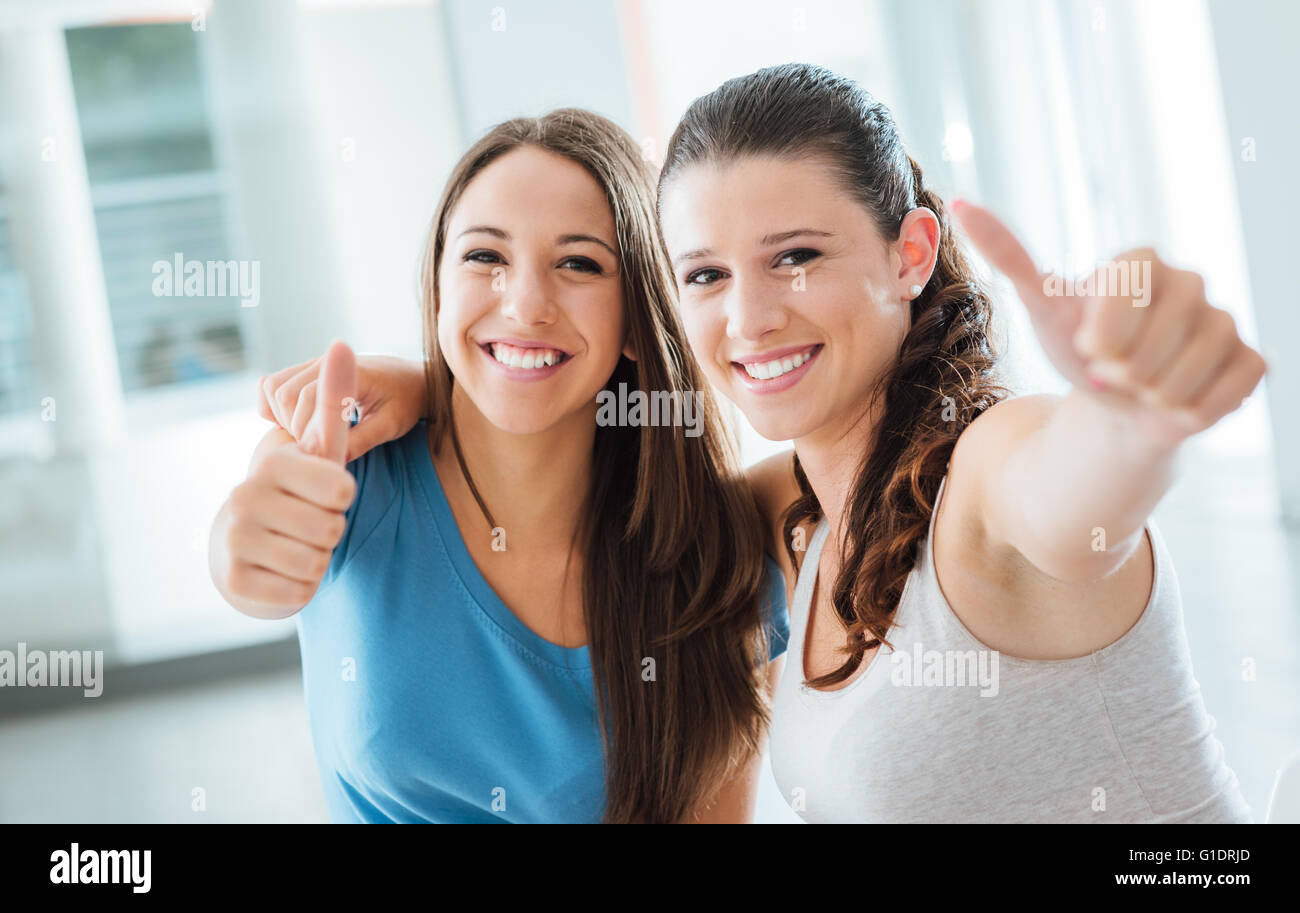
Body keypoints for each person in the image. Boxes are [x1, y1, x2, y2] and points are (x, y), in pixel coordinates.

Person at [267, 64, 1264, 823]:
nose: (749, 317)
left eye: (795, 257)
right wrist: (431, 389)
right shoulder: (787, 527)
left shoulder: (983, 478)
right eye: (704, 276)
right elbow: (573, 505)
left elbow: (1072, 490)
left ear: (907, 254)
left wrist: (1134, 414)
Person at [209, 108, 790, 824]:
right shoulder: (344, 465)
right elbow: (254, 540)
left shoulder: (715, 566)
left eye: (578, 263)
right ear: (437, 287)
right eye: (485, 257)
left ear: (639, 319)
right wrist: (241, 546)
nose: (525, 304)